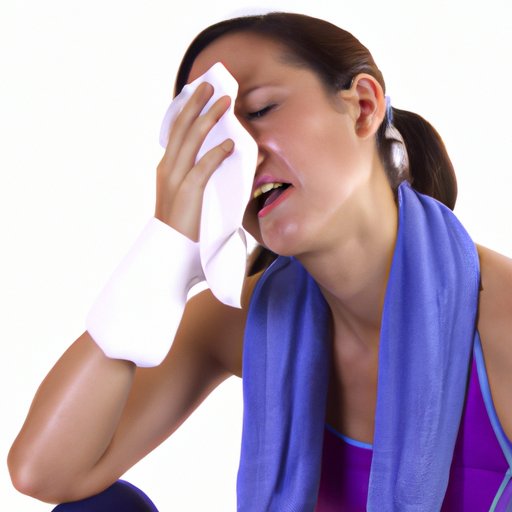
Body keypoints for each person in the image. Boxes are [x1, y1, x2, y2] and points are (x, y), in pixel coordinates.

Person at [7, 11, 512, 511]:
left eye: (260, 109)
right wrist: (165, 250)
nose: (239, 154)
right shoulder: (248, 316)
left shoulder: (500, 321)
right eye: (210, 138)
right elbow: (44, 472)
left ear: (363, 106)